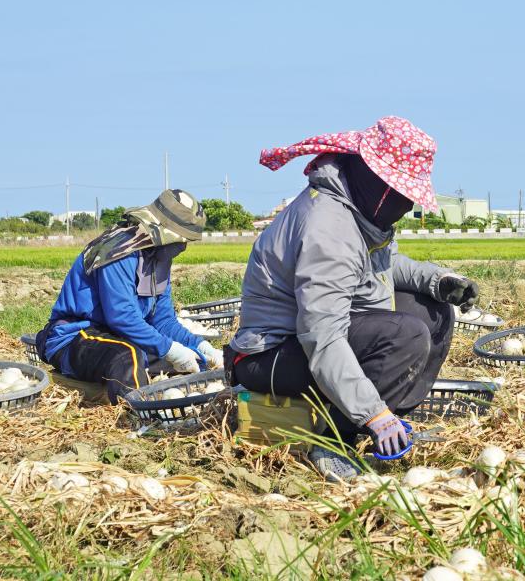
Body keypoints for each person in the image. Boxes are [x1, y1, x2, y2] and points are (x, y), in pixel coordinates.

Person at [225, 116, 479, 480]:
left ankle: (391, 420)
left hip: (309, 339)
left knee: (431, 313)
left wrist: (439, 281)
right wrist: (370, 412)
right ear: (377, 181)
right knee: (405, 335)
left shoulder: (357, 207)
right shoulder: (329, 228)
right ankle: (334, 441)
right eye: (403, 194)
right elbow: (322, 336)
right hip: (269, 355)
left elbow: (384, 263)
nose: (406, 206)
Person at [36, 189, 223, 403]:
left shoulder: (159, 260)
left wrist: (201, 347)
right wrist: (169, 349)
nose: (183, 247)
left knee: (195, 361)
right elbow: (122, 317)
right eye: (181, 240)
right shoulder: (119, 253)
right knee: (128, 358)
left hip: (119, 336)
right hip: (76, 337)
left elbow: (164, 321)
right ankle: (136, 416)